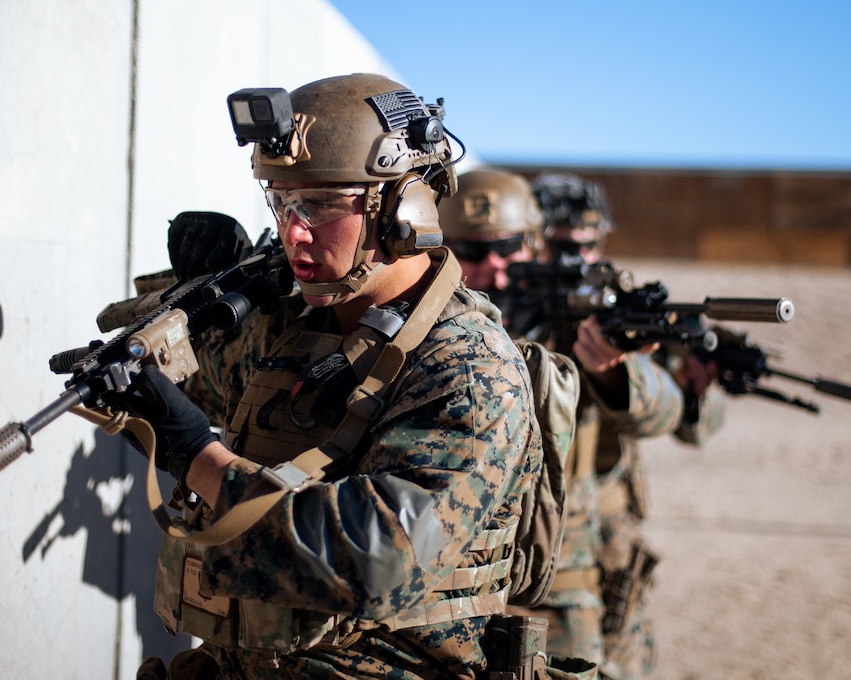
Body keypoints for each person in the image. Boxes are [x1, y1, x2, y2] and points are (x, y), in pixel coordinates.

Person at [111, 74, 549, 680]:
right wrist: (194, 293)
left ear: (402, 206)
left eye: (317, 204)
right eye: (281, 203)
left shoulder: (469, 367)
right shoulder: (297, 326)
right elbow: (179, 383)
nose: (294, 231)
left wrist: (197, 458)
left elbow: (377, 557)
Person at [438, 168, 687, 676]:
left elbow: (666, 408)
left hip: (557, 572)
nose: (494, 268)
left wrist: (615, 373)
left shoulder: (576, 317)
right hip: (449, 568)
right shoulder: (434, 313)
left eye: (507, 249)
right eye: (474, 252)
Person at [530, 173, 726, 679]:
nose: (577, 260)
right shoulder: (514, 303)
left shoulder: (619, 307)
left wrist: (647, 380)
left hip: (609, 540)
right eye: (559, 246)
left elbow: (685, 420)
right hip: (542, 540)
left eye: (588, 246)